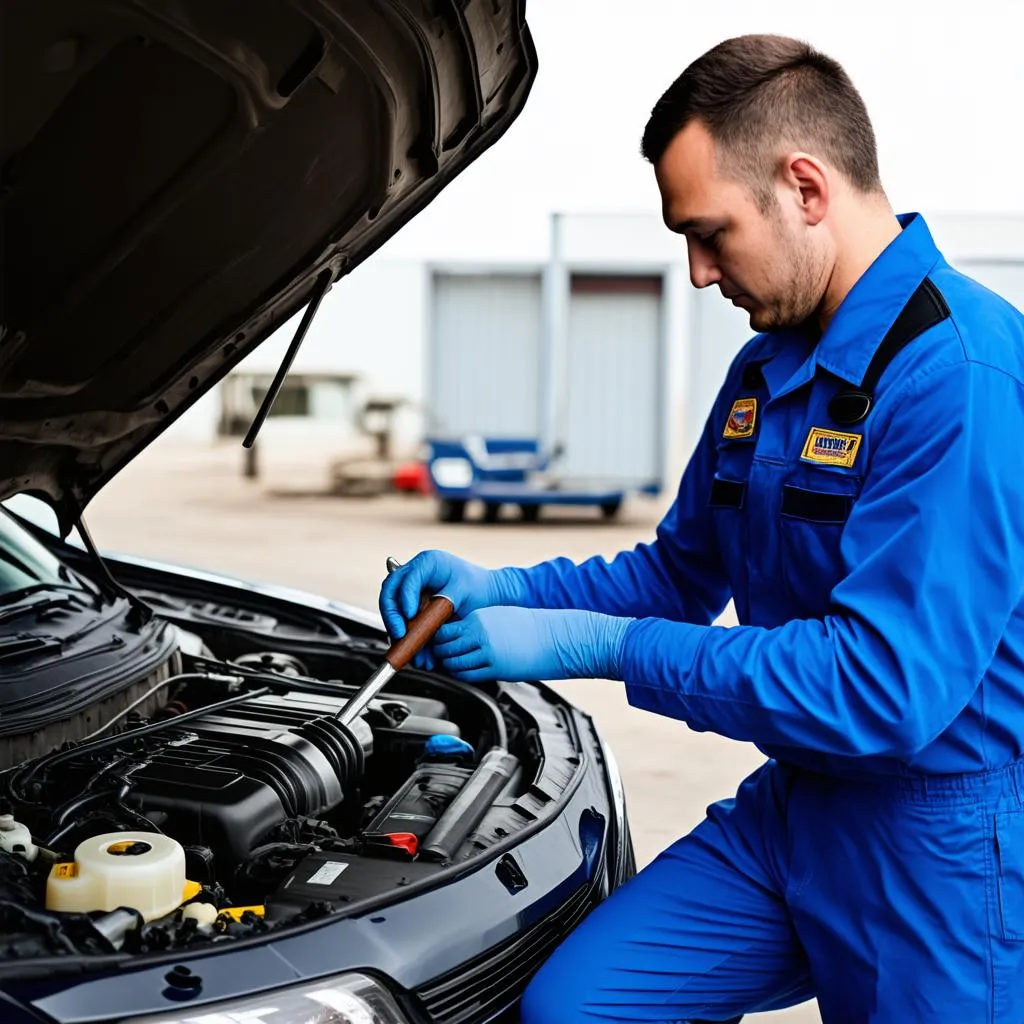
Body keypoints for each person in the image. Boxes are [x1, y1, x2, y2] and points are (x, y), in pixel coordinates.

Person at [379, 34, 1024, 1024]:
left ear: (805, 187)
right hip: (796, 809)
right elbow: (677, 573)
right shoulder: (767, 371)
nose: (694, 271)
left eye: (710, 233)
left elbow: (882, 689)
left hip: (935, 837)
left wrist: (601, 646)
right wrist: (498, 589)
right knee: (577, 1008)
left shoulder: (957, 374)